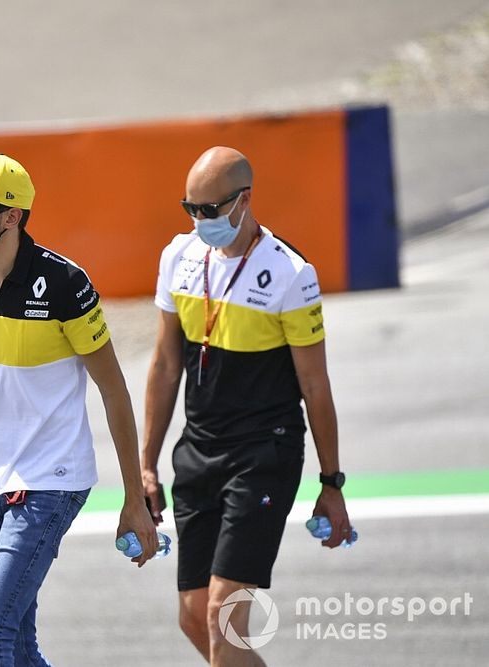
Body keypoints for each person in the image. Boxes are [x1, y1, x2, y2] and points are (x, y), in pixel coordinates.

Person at [0, 153, 158, 666]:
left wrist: (135, 498)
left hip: (54, 479)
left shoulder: (66, 282)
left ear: (12, 216)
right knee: (18, 644)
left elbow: (114, 391)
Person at [141, 146, 351, 665]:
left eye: (209, 210)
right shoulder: (179, 256)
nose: (199, 220)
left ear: (244, 200)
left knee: (222, 619)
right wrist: (145, 464)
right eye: (190, 208)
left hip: (263, 455)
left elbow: (315, 385)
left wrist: (332, 483)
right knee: (193, 616)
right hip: (198, 453)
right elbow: (166, 367)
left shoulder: (290, 273)